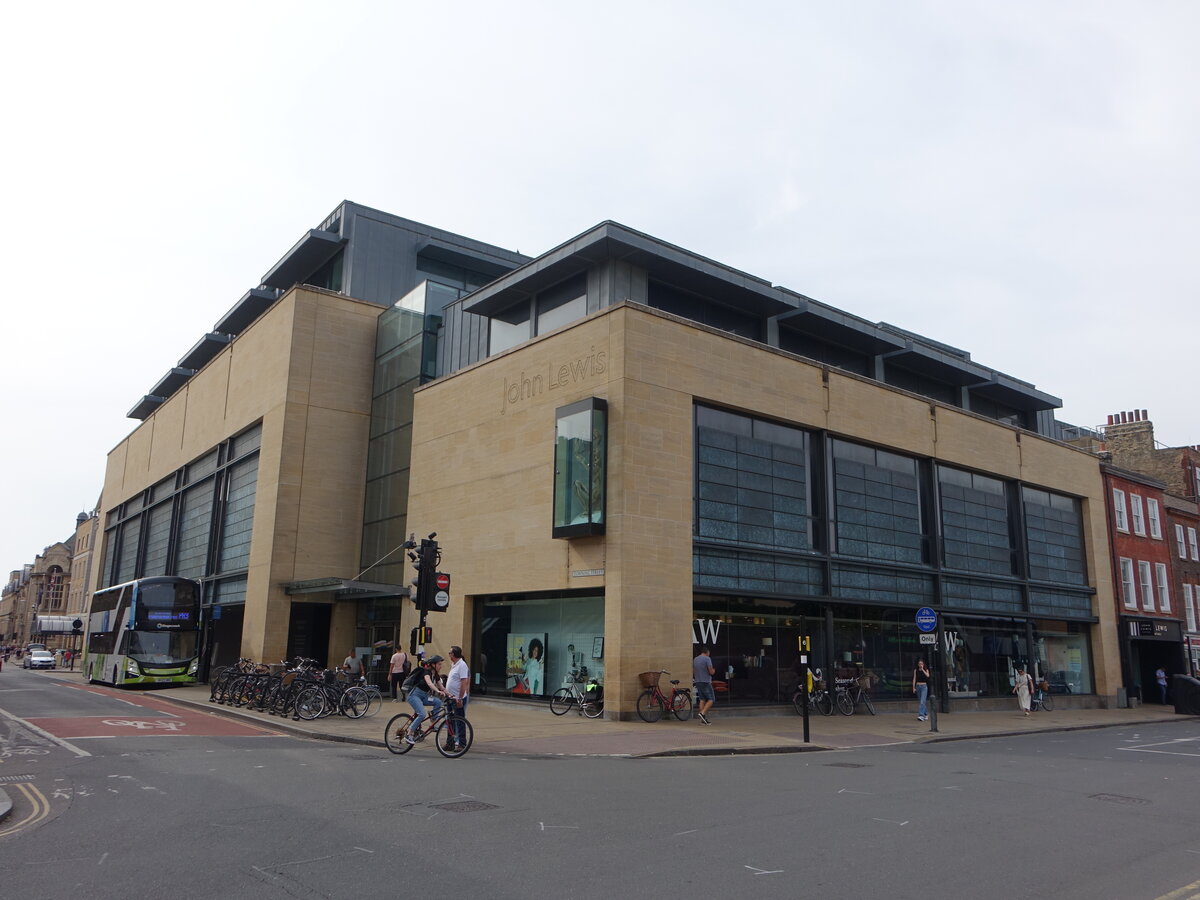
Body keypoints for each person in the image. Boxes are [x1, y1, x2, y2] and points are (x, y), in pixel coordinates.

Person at [404, 655, 446, 743]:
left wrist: (451, 695)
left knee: (438, 702)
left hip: (424, 696)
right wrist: (438, 691)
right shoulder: (426, 672)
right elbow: (430, 684)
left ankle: (433, 721)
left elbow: (443, 688)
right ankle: (409, 734)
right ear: (433, 665)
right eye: (439, 664)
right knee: (422, 714)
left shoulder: (436, 675)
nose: (440, 666)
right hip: (414, 695)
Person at [445, 646, 470, 750]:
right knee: (449, 720)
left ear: (454, 654)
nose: (449, 654)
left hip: (457, 698)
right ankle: (450, 743)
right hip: (451, 697)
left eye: (450, 652)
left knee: (459, 721)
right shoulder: (454, 664)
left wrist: (460, 698)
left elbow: (464, 682)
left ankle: (462, 744)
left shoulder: (462, 665)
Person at [693, 645, 716, 724]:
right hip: (706, 682)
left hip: (698, 681)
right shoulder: (707, 658)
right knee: (711, 699)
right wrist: (713, 671)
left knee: (702, 699)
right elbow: (710, 671)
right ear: (707, 652)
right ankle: (702, 713)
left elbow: (694, 670)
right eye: (709, 653)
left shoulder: (695, 659)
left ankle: (703, 720)